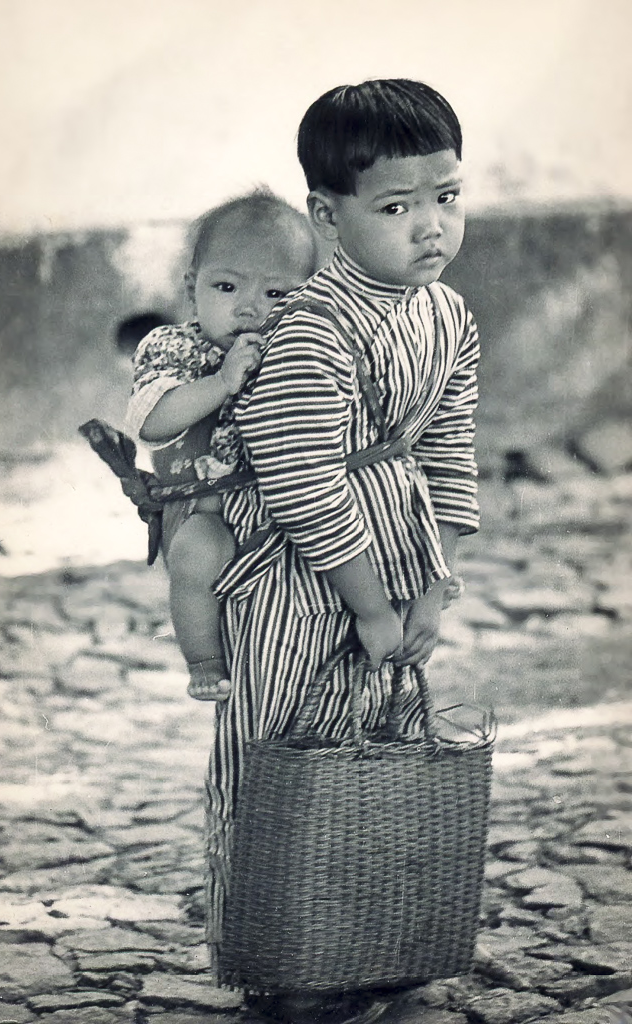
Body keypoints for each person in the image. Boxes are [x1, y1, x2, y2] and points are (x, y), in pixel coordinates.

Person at [206, 79, 481, 1022]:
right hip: (298, 576)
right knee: (285, 751)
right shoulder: (310, 329)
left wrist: (430, 589)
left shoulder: (447, 316)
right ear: (327, 216)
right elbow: (301, 481)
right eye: (396, 207)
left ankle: (371, 935)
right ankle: (281, 962)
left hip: (399, 556)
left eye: (446, 197)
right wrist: (366, 602)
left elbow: (448, 447)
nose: (430, 228)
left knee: (380, 738)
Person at [124, 190, 317, 700]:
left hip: (276, 505)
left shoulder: (296, 351)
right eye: (226, 287)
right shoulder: (174, 347)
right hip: (204, 508)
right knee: (197, 553)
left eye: (277, 296)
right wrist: (222, 382)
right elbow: (153, 422)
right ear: (193, 289)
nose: (249, 308)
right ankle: (205, 659)